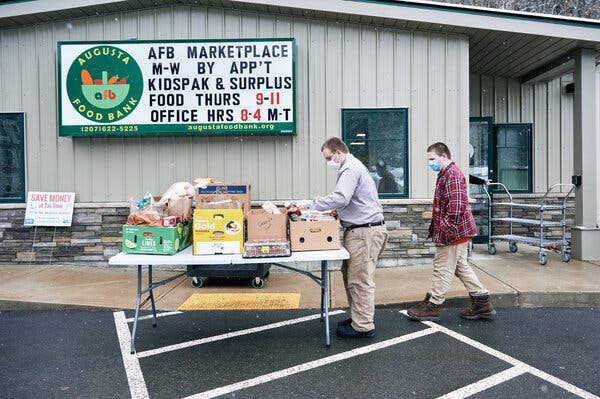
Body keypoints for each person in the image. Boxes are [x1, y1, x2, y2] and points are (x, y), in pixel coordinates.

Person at [298, 137, 388, 338]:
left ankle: (363, 326)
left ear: (338, 152)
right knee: (350, 276)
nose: (328, 162)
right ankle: (358, 316)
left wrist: (310, 205)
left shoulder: (349, 168)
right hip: (361, 230)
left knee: (360, 280)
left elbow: (340, 198)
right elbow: (348, 201)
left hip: (365, 232)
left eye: (329, 157)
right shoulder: (352, 167)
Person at [407, 142, 496, 321]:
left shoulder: (452, 175)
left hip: (453, 233)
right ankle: (481, 301)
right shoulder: (446, 174)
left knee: (442, 268)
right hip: (459, 231)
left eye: (432, 159)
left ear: (444, 156)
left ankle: (433, 305)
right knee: (460, 266)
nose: (430, 163)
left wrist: (445, 233)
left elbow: (456, 208)